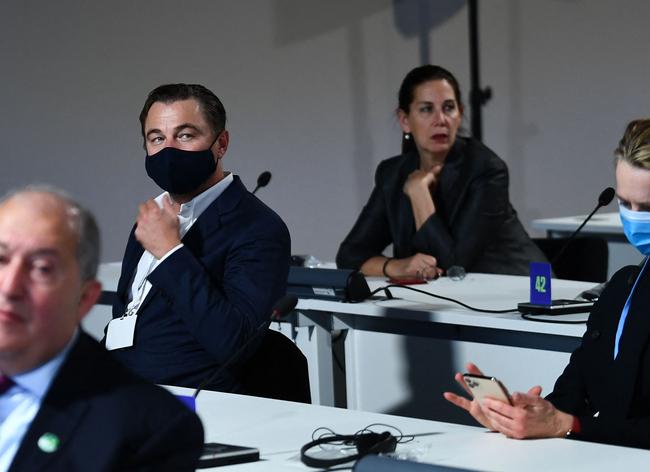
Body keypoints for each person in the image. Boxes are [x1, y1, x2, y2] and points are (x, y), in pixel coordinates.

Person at [444, 118, 650, 449]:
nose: (635, 217)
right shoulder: (623, 288)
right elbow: (576, 394)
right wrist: (525, 414)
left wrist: (567, 425)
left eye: (648, 207)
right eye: (625, 204)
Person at [0, 187, 203, 471]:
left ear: (85, 298)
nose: (9, 287)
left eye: (42, 268)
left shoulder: (149, 430)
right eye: (1, 259)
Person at [106, 83, 291, 392]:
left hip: (192, 402)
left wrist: (170, 253)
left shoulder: (258, 228)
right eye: (157, 138)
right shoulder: (153, 217)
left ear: (221, 144)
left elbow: (236, 344)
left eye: (186, 135)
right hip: (123, 392)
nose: (169, 150)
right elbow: (128, 316)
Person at [336, 65, 545, 280]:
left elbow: (454, 267)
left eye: (448, 108)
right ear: (405, 120)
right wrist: (394, 266)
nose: (441, 120)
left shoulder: (486, 170)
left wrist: (419, 194)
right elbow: (350, 254)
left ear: (460, 114)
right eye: (426, 109)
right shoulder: (392, 174)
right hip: (452, 302)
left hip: (524, 295)